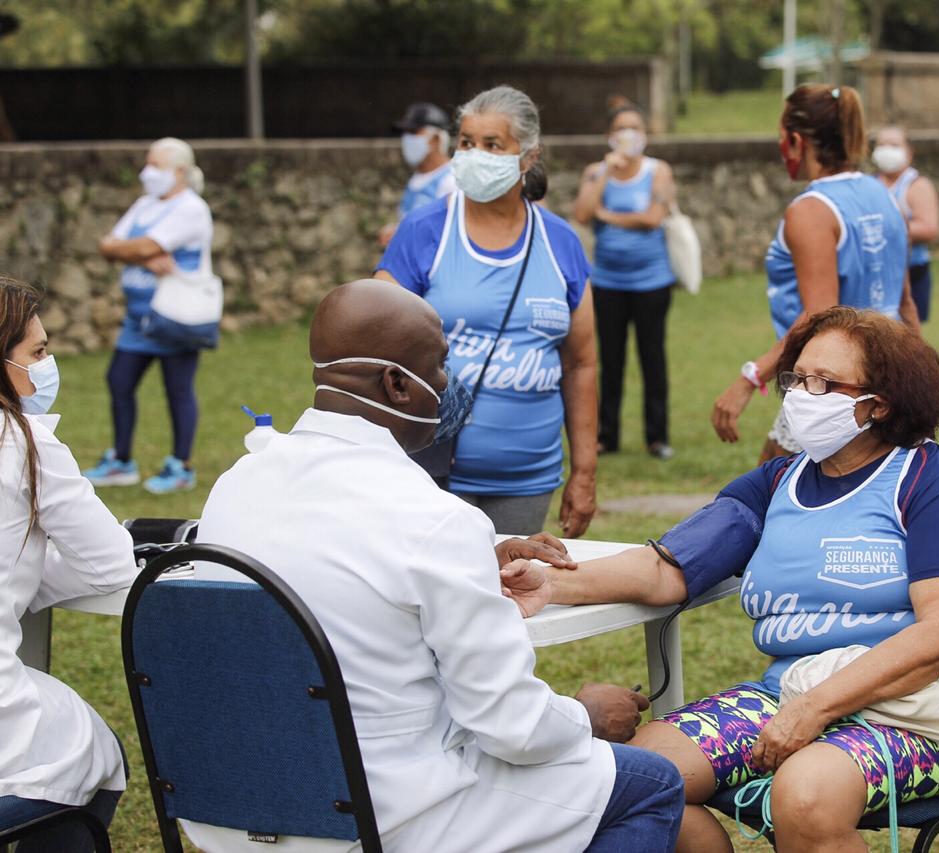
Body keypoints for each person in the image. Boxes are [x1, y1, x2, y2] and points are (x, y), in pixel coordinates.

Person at [188, 278, 683, 853]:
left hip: (233, 808)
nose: (448, 385)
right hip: (383, 815)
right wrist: (585, 716)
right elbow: (512, 728)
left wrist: (471, 571)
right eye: (442, 366)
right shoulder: (434, 518)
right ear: (398, 384)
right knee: (651, 784)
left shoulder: (235, 484)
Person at [516, 306, 939, 853]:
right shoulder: (777, 483)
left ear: (880, 403)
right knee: (631, 781)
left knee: (805, 794)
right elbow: (664, 567)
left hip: (931, 716)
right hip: (788, 694)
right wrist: (552, 583)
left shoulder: (934, 483)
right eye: (797, 378)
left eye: (824, 383)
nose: (801, 393)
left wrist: (816, 708)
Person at [377, 85, 598, 538]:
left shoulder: (560, 243)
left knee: (508, 596)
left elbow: (581, 363)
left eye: (492, 144)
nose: (475, 154)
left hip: (527, 479)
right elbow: (376, 346)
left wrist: (585, 473)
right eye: (466, 142)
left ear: (528, 157)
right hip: (432, 474)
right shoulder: (424, 231)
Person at [0, 275, 137, 851]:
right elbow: (111, 567)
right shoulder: (24, 443)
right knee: (95, 751)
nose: (49, 363)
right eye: (39, 352)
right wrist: (25, 577)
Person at [711, 83, 918, 464]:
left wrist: (748, 379)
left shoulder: (811, 210)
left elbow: (818, 317)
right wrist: (918, 382)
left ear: (794, 140)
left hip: (833, 385)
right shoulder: (884, 194)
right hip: (887, 378)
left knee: (771, 501)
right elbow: (904, 301)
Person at [86, 137, 213, 495]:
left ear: (180, 172)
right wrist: (138, 255)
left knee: (178, 390)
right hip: (137, 318)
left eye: (156, 165)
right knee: (119, 381)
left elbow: (137, 245)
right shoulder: (144, 205)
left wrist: (128, 250)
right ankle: (121, 461)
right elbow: (107, 246)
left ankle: (180, 465)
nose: (148, 173)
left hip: (175, 317)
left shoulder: (191, 208)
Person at [573, 99, 678, 460]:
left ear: (645, 135)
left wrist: (609, 214)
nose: (629, 135)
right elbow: (583, 213)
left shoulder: (657, 171)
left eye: (636, 128)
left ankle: (657, 436)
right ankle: (607, 435)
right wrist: (605, 173)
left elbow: (652, 218)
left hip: (652, 281)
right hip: (607, 282)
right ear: (609, 136)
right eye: (621, 129)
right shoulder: (595, 172)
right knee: (609, 361)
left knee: (653, 359)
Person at [873, 126, 939, 322]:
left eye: (894, 145)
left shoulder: (916, 185)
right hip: (877, 271)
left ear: (909, 152)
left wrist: (882, 229)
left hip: (911, 271)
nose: (887, 150)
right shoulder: (870, 183)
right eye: (882, 145)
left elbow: (929, 228)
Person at [378, 102, 458, 248]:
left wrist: (404, 233)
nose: (407, 139)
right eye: (405, 133)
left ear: (435, 140)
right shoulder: (417, 178)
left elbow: (450, 232)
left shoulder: (451, 180)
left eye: (414, 132)